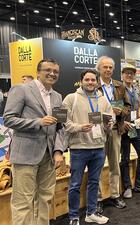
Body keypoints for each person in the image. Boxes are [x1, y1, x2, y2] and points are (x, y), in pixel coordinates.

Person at [3, 58, 64, 225]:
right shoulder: (21, 90)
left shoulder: (58, 97)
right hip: (25, 155)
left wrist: (58, 150)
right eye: (48, 70)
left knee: (45, 199)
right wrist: (38, 122)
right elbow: (8, 119)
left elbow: (60, 126)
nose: (52, 74)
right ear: (38, 72)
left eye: (56, 71)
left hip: (49, 156)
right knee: (23, 202)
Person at [63, 70, 113, 225]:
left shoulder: (103, 100)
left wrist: (108, 124)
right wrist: (79, 127)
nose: (90, 82)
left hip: (98, 147)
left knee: (94, 181)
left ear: (97, 82)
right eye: (87, 79)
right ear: (81, 81)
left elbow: (110, 120)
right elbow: (63, 122)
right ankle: (73, 216)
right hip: (79, 148)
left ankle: (91, 212)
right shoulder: (71, 98)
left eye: (93, 80)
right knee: (75, 184)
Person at [96, 56, 130, 212]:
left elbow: (128, 106)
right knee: (97, 165)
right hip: (99, 131)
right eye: (105, 67)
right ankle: (97, 199)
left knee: (115, 164)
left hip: (116, 129)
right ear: (99, 69)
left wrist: (121, 110)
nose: (108, 70)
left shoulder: (119, 86)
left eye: (110, 67)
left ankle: (115, 195)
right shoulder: (92, 84)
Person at [119, 65, 140, 198]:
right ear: (122, 75)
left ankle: (138, 185)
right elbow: (116, 109)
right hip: (124, 128)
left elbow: (137, 108)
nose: (129, 75)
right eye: (127, 73)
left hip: (136, 128)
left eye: (131, 74)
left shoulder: (136, 90)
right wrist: (122, 122)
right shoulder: (119, 90)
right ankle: (127, 187)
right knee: (125, 158)